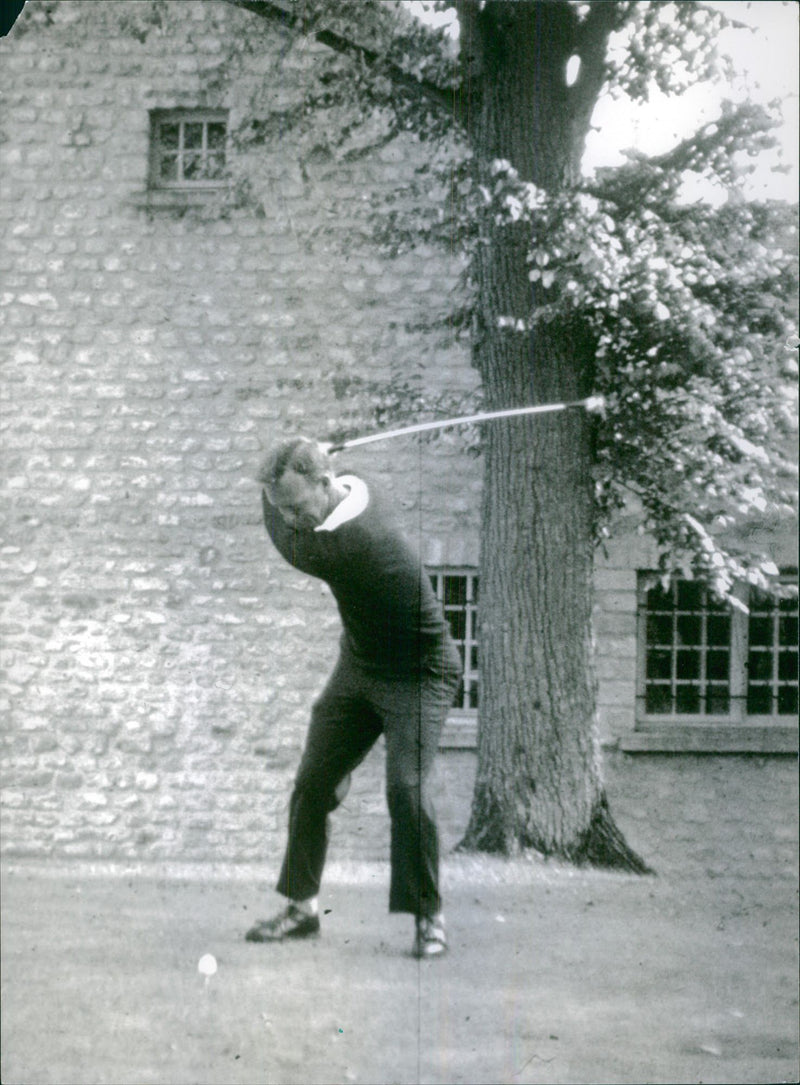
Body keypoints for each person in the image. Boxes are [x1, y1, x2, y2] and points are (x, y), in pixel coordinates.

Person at [245, 436, 462, 957]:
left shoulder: (358, 541)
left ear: (324, 485)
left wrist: (273, 500)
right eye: (284, 507)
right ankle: (301, 909)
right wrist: (281, 475)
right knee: (312, 782)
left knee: (406, 790)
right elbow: (286, 503)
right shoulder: (349, 485)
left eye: (297, 507)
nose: (292, 518)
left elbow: (285, 539)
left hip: (419, 673)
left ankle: (428, 917)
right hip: (361, 664)